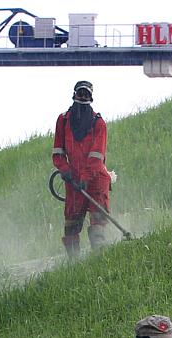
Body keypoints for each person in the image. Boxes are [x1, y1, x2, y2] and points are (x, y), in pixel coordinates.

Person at [52, 79, 112, 259]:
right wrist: (65, 169)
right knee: (71, 224)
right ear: (74, 95)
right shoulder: (63, 121)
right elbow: (57, 151)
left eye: (87, 94)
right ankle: (74, 263)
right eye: (81, 93)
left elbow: (96, 157)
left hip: (96, 179)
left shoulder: (98, 124)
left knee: (98, 221)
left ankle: (99, 258)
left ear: (91, 98)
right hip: (73, 179)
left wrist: (85, 178)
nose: (83, 97)